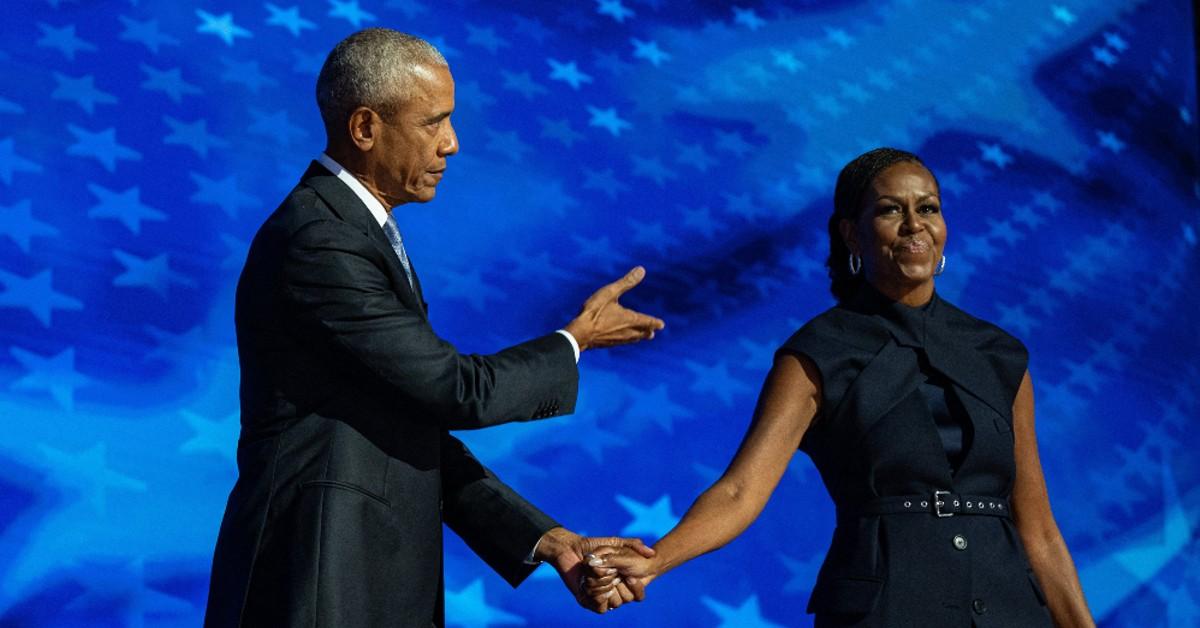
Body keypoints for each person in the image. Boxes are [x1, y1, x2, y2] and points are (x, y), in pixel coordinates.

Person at [204, 28, 665, 627]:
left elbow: (407, 430)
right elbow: (455, 390)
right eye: (433, 122)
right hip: (319, 584)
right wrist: (575, 341)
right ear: (365, 128)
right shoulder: (320, 239)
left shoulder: (354, 232)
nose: (452, 144)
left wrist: (550, 540)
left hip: (364, 583)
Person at [586, 148, 1095, 626]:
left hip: (1009, 609)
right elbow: (741, 491)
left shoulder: (1000, 355)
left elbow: (1041, 532)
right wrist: (657, 560)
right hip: (886, 607)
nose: (915, 225)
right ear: (853, 234)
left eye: (929, 208)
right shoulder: (818, 352)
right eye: (892, 210)